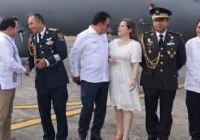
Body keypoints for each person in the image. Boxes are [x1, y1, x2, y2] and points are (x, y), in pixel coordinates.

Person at [140, 7, 186, 140]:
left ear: (167, 22)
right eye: (155, 21)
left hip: (168, 80)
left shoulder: (176, 38)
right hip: (150, 80)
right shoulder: (145, 38)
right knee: (150, 110)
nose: (158, 23)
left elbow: (181, 59)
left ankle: (164, 134)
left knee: (166, 111)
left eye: (161, 20)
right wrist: (150, 70)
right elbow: (142, 60)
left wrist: (169, 70)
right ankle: (152, 133)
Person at [27, 13, 69, 140]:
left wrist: (47, 61)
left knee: (60, 112)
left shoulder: (55, 34)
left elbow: (63, 53)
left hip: (57, 81)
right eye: (29, 24)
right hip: (42, 82)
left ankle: (61, 137)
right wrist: (29, 67)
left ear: (40, 22)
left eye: (31, 23)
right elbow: (31, 56)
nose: (30, 26)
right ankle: (48, 136)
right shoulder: (33, 38)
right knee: (44, 113)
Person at [70, 11, 111, 140]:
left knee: (101, 109)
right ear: (100, 24)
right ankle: (82, 135)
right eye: (107, 25)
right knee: (87, 109)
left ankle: (96, 134)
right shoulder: (84, 36)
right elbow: (74, 55)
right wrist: (75, 73)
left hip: (104, 79)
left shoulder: (104, 36)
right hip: (89, 79)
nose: (108, 28)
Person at [0, 17, 27, 140]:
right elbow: (9, 62)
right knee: (0, 117)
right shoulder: (2, 42)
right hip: (2, 85)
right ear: (9, 28)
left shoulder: (8, 39)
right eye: (16, 27)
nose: (18, 30)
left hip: (8, 83)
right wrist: (24, 69)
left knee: (7, 115)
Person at [108, 19, 142, 140]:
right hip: (114, 77)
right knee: (117, 106)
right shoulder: (112, 43)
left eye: (122, 26)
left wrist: (133, 79)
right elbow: (106, 56)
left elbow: (135, 64)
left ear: (130, 29)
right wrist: (108, 60)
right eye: (119, 25)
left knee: (127, 106)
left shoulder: (135, 45)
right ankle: (119, 132)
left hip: (127, 76)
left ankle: (126, 134)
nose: (119, 27)